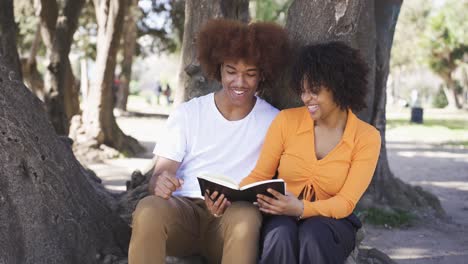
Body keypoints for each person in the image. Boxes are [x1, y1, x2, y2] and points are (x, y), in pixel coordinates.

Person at [128, 19, 289, 264]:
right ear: (218, 69)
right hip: (184, 213)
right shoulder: (188, 114)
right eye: (231, 71)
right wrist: (161, 183)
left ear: (262, 75)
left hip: (233, 220)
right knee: (148, 207)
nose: (239, 82)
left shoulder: (275, 121)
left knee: (245, 217)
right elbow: (159, 176)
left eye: (250, 74)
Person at [239, 42, 382, 264]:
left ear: (339, 86)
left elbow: (345, 202)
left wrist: (301, 208)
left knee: (313, 236)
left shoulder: (367, 137)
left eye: (314, 91)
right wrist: (234, 196)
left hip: (333, 222)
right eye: (303, 91)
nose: (306, 98)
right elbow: (260, 176)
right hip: (280, 215)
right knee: (280, 235)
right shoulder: (286, 120)